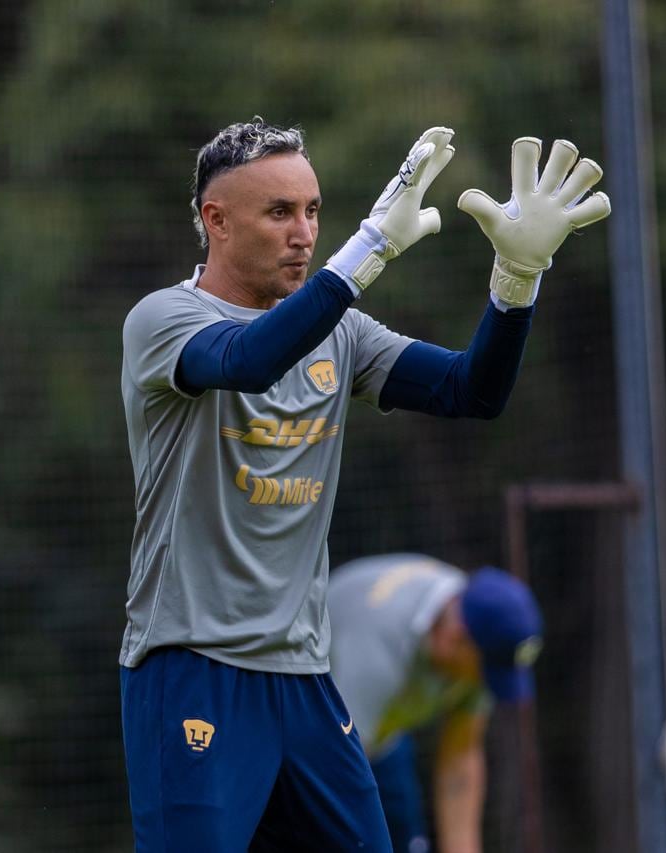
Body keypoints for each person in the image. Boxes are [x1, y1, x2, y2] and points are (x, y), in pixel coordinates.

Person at [117, 117, 608, 852]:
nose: (304, 233)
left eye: (313, 211)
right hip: (192, 666)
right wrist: (370, 245)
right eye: (279, 212)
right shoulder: (163, 319)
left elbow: (470, 390)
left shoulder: (341, 335)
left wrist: (517, 282)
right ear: (216, 221)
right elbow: (250, 361)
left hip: (305, 678)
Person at [327, 554, 544, 853]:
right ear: (456, 638)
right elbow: (332, 776)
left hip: (382, 735)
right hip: (324, 742)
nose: (484, 683)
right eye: (484, 671)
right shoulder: (376, 655)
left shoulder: (477, 626)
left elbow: (460, 758)